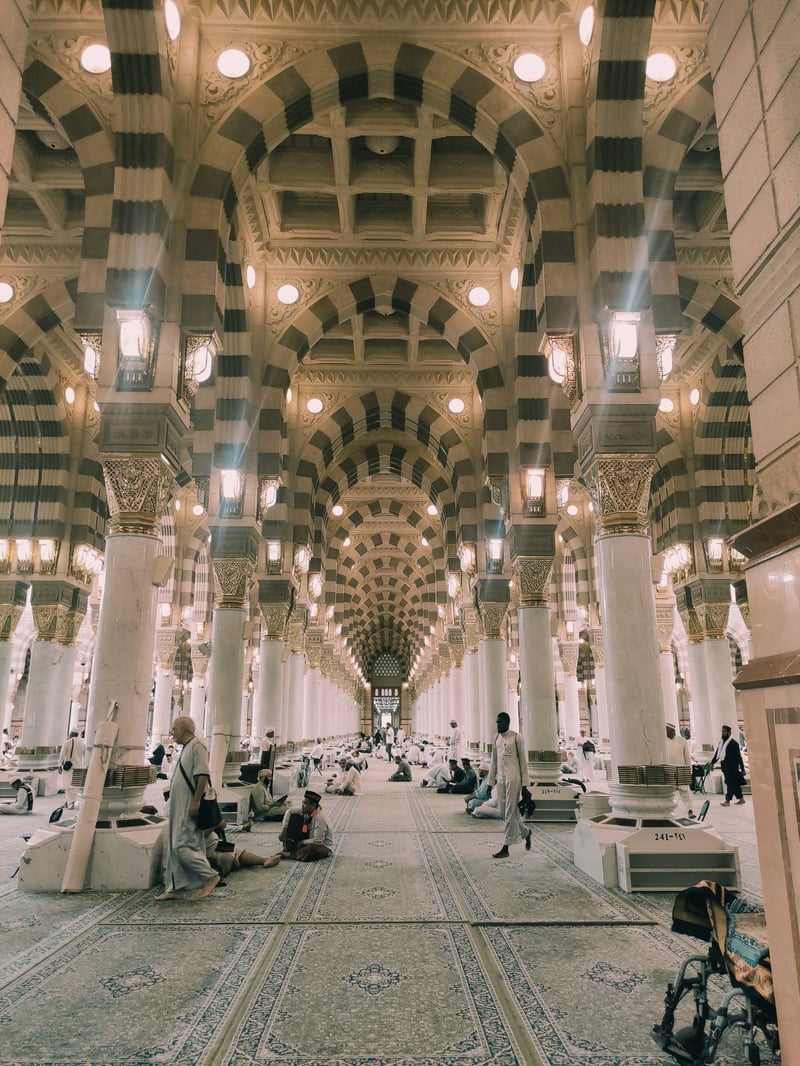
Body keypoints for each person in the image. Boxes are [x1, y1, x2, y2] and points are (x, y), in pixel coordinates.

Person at [155, 715, 220, 901]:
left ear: (184, 729)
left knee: (181, 845)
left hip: (187, 805)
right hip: (178, 806)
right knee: (173, 846)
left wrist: (196, 801)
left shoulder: (197, 745)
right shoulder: (186, 748)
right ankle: (175, 887)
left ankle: (210, 876)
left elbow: (202, 775)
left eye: (174, 728)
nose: (172, 732)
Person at [487, 711, 531, 858]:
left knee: (510, 811)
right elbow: (493, 761)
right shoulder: (496, 738)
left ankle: (505, 848)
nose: (497, 724)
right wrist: (490, 783)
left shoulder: (516, 737)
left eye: (500, 722)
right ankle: (525, 832)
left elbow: (523, 762)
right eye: (497, 722)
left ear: (507, 722)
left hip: (514, 779)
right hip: (500, 779)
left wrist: (525, 785)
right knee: (502, 811)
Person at [277, 789, 333, 861]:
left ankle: (291, 854)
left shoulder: (320, 818)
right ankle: (288, 848)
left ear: (313, 805)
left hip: (323, 845)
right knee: (294, 817)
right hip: (309, 838)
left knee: (314, 848)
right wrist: (284, 829)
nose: (302, 806)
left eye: (305, 803)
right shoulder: (307, 811)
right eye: (303, 802)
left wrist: (303, 842)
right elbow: (289, 811)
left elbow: (317, 841)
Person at [205, 825, 280, 877]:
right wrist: (215, 824)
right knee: (234, 861)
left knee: (236, 850)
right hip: (206, 850)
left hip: (216, 844)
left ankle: (264, 860)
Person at [709, 724, 747, 806]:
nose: (722, 734)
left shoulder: (734, 744)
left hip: (732, 768)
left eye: (724, 732)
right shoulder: (721, 743)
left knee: (730, 783)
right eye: (722, 732)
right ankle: (741, 799)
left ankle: (727, 800)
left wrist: (743, 769)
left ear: (729, 733)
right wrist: (712, 763)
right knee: (734, 784)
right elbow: (717, 755)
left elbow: (738, 757)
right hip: (725, 768)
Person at [665, 722, 693, 816]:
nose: (665, 731)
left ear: (671, 730)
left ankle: (690, 810)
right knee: (668, 792)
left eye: (667, 729)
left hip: (681, 770)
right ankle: (667, 812)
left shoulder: (682, 740)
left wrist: (689, 772)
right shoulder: (663, 741)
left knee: (685, 792)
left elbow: (687, 757)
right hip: (669, 771)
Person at [59, 730, 86, 809]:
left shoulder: (68, 742)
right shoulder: (82, 744)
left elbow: (62, 755)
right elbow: (85, 756)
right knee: (75, 786)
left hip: (69, 767)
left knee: (68, 786)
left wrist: (59, 765)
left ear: (71, 734)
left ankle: (71, 804)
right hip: (79, 767)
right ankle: (66, 803)